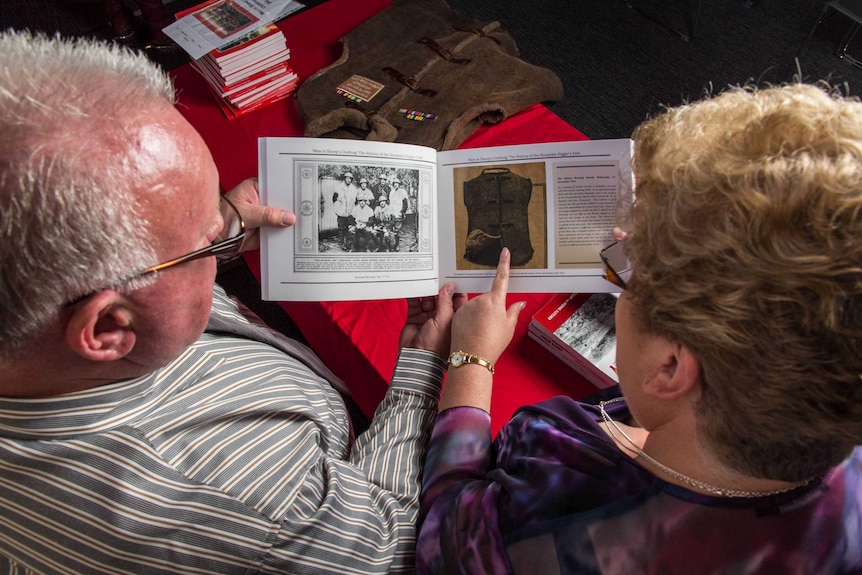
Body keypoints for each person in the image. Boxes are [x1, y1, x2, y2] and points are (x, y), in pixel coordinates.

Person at [0, 31, 463, 574]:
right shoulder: (246, 504)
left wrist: (218, 221)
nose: (228, 229)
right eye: (208, 242)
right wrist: (429, 369)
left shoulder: (45, 334)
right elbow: (389, 544)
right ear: (107, 330)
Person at [416, 83, 862, 574]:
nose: (620, 265)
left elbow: (445, 534)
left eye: (629, 278)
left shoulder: (559, 526)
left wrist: (469, 362)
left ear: (670, 368)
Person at [332, 170, 358, 250]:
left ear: (351, 180)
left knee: (348, 228)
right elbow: (334, 199)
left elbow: (356, 200)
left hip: (349, 212)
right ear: (344, 179)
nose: (348, 180)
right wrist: (338, 208)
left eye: (350, 179)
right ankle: (341, 243)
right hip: (341, 211)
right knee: (341, 228)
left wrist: (352, 210)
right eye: (347, 178)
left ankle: (347, 243)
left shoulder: (354, 189)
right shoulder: (339, 188)